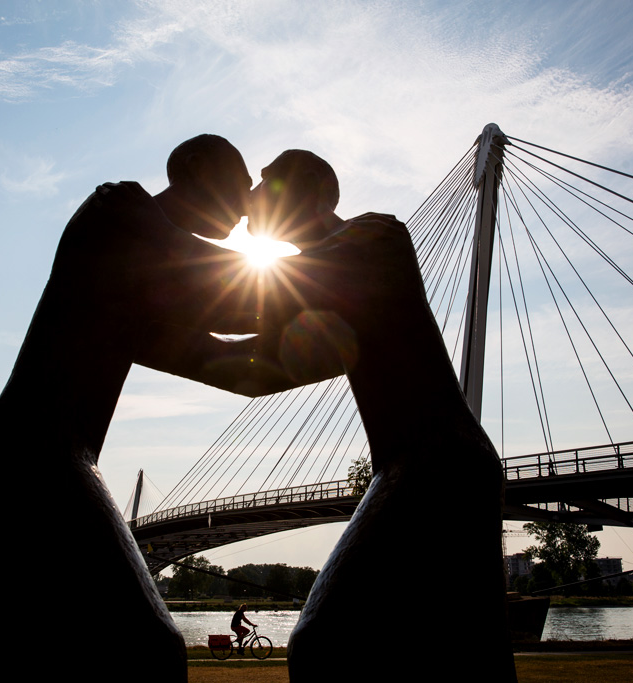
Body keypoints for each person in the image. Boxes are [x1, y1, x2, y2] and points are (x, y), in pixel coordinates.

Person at [138, 149, 517, 681]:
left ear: (314, 188)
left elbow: (232, 300)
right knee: (461, 649)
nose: (249, 200)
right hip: (429, 466)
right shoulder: (338, 285)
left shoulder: (373, 239)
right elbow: (258, 372)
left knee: (327, 639)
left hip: (435, 463)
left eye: (265, 184)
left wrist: (139, 238)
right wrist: (127, 337)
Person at [0, 135, 262, 682]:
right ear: (197, 167)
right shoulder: (121, 210)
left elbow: (238, 366)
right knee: (145, 648)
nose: (249, 209)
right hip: (38, 458)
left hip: (11, 457)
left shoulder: (137, 286)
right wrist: (348, 283)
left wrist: (355, 341)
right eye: (242, 185)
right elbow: (232, 298)